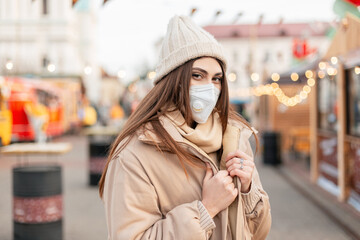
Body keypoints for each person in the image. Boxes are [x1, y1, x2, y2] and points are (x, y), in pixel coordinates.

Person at [99, 15, 271, 240]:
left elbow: (259, 233)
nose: (209, 87)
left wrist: (248, 191)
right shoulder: (134, 154)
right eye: (197, 76)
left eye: (216, 78)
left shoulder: (233, 136)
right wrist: (205, 210)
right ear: (172, 80)